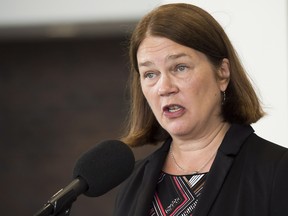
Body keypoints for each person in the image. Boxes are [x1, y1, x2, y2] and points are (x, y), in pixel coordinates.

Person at [113, 3, 288, 216]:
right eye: (150, 74)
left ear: (222, 73)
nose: (164, 88)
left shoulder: (277, 170)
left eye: (180, 67)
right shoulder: (134, 183)